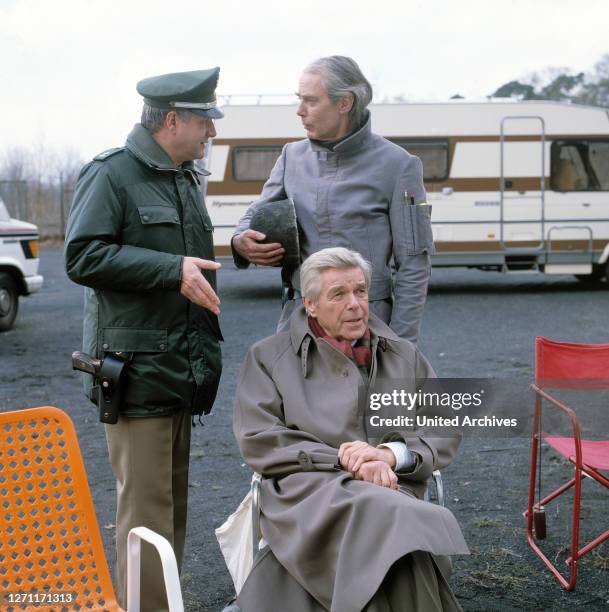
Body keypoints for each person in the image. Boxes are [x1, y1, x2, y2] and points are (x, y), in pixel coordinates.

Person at [64, 68, 224, 611]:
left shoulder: (182, 178)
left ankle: (160, 604)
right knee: (145, 515)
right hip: (134, 372)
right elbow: (82, 256)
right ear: (173, 119)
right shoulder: (111, 174)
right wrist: (169, 268)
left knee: (169, 510)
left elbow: (192, 266)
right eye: (205, 120)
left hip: (178, 369)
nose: (212, 133)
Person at [232, 247, 468, 611]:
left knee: (392, 528)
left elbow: (444, 424)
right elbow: (259, 438)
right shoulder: (268, 357)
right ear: (310, 304)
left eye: (360, 291)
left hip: (390, 483)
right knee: (402, 530)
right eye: (338, 294)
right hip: (306, 489)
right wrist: (350, 461)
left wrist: (390, 455)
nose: (355, 303)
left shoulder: (403, 354)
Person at [231, 55, 434, 344]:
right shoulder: (292, 156)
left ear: (344, 103)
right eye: (299, 99)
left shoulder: (399, 165)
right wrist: (240, 240)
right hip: (300, 327)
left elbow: (414, 264)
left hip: (367, 330)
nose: (300, 111)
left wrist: (400, 345)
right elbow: (255, 213)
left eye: (311, 101)